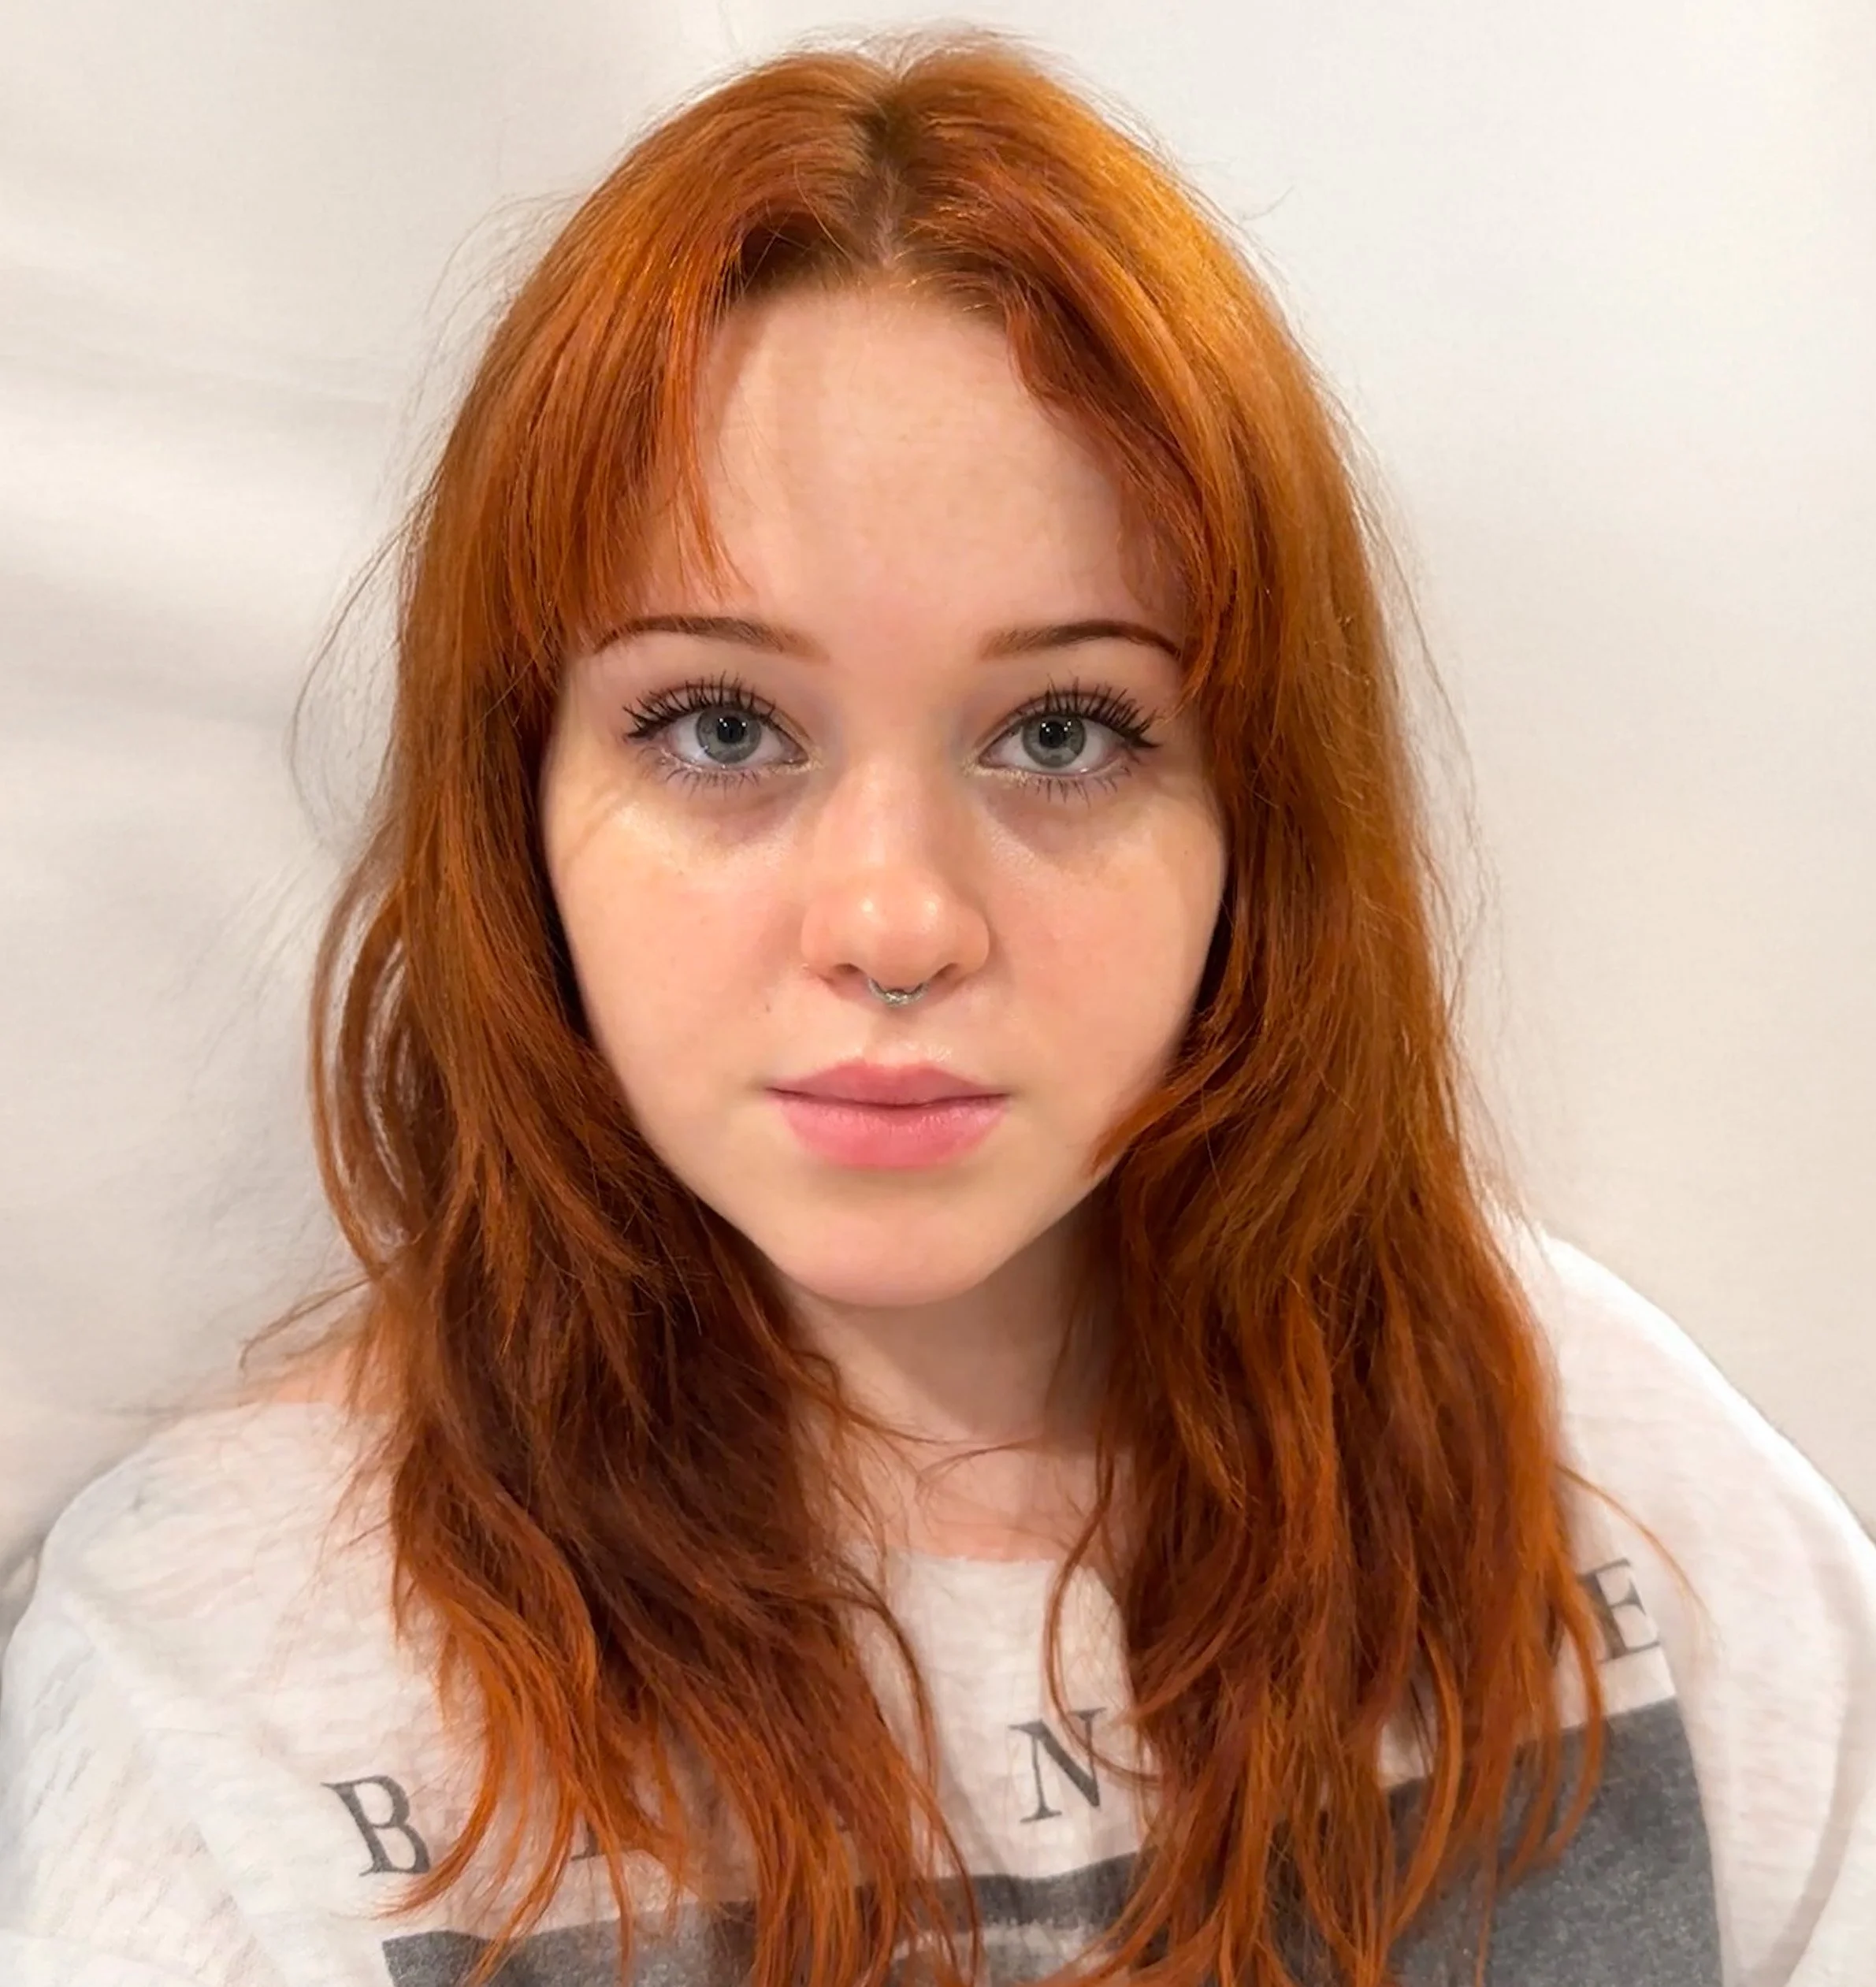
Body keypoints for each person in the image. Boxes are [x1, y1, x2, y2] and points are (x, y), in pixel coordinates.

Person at [2, 26, 1871, 1987]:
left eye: (1060, 732)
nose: (895, 922)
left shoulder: (1593, 1466)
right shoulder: (214, 1684)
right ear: (515, 804)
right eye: (721, 727)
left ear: (1253, 815)